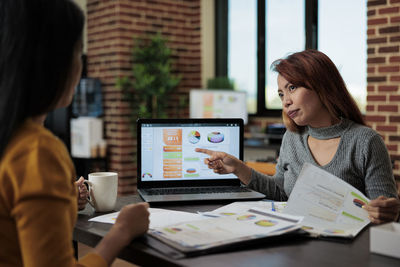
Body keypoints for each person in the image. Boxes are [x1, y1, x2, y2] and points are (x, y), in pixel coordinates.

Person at [0, 1, 149, 266]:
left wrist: (66, 196)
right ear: (56, 63)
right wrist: (122, 231)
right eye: (79, 52)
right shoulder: (37, 151)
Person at [196, 49, 400, 224]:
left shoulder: (366, 141)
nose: (286, 102)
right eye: (281, 94)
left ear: (322, 85)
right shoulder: (292, 138)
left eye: (292, 88)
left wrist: (387, 211)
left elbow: (386, 213)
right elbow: (281, 192)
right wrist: (239, 168)